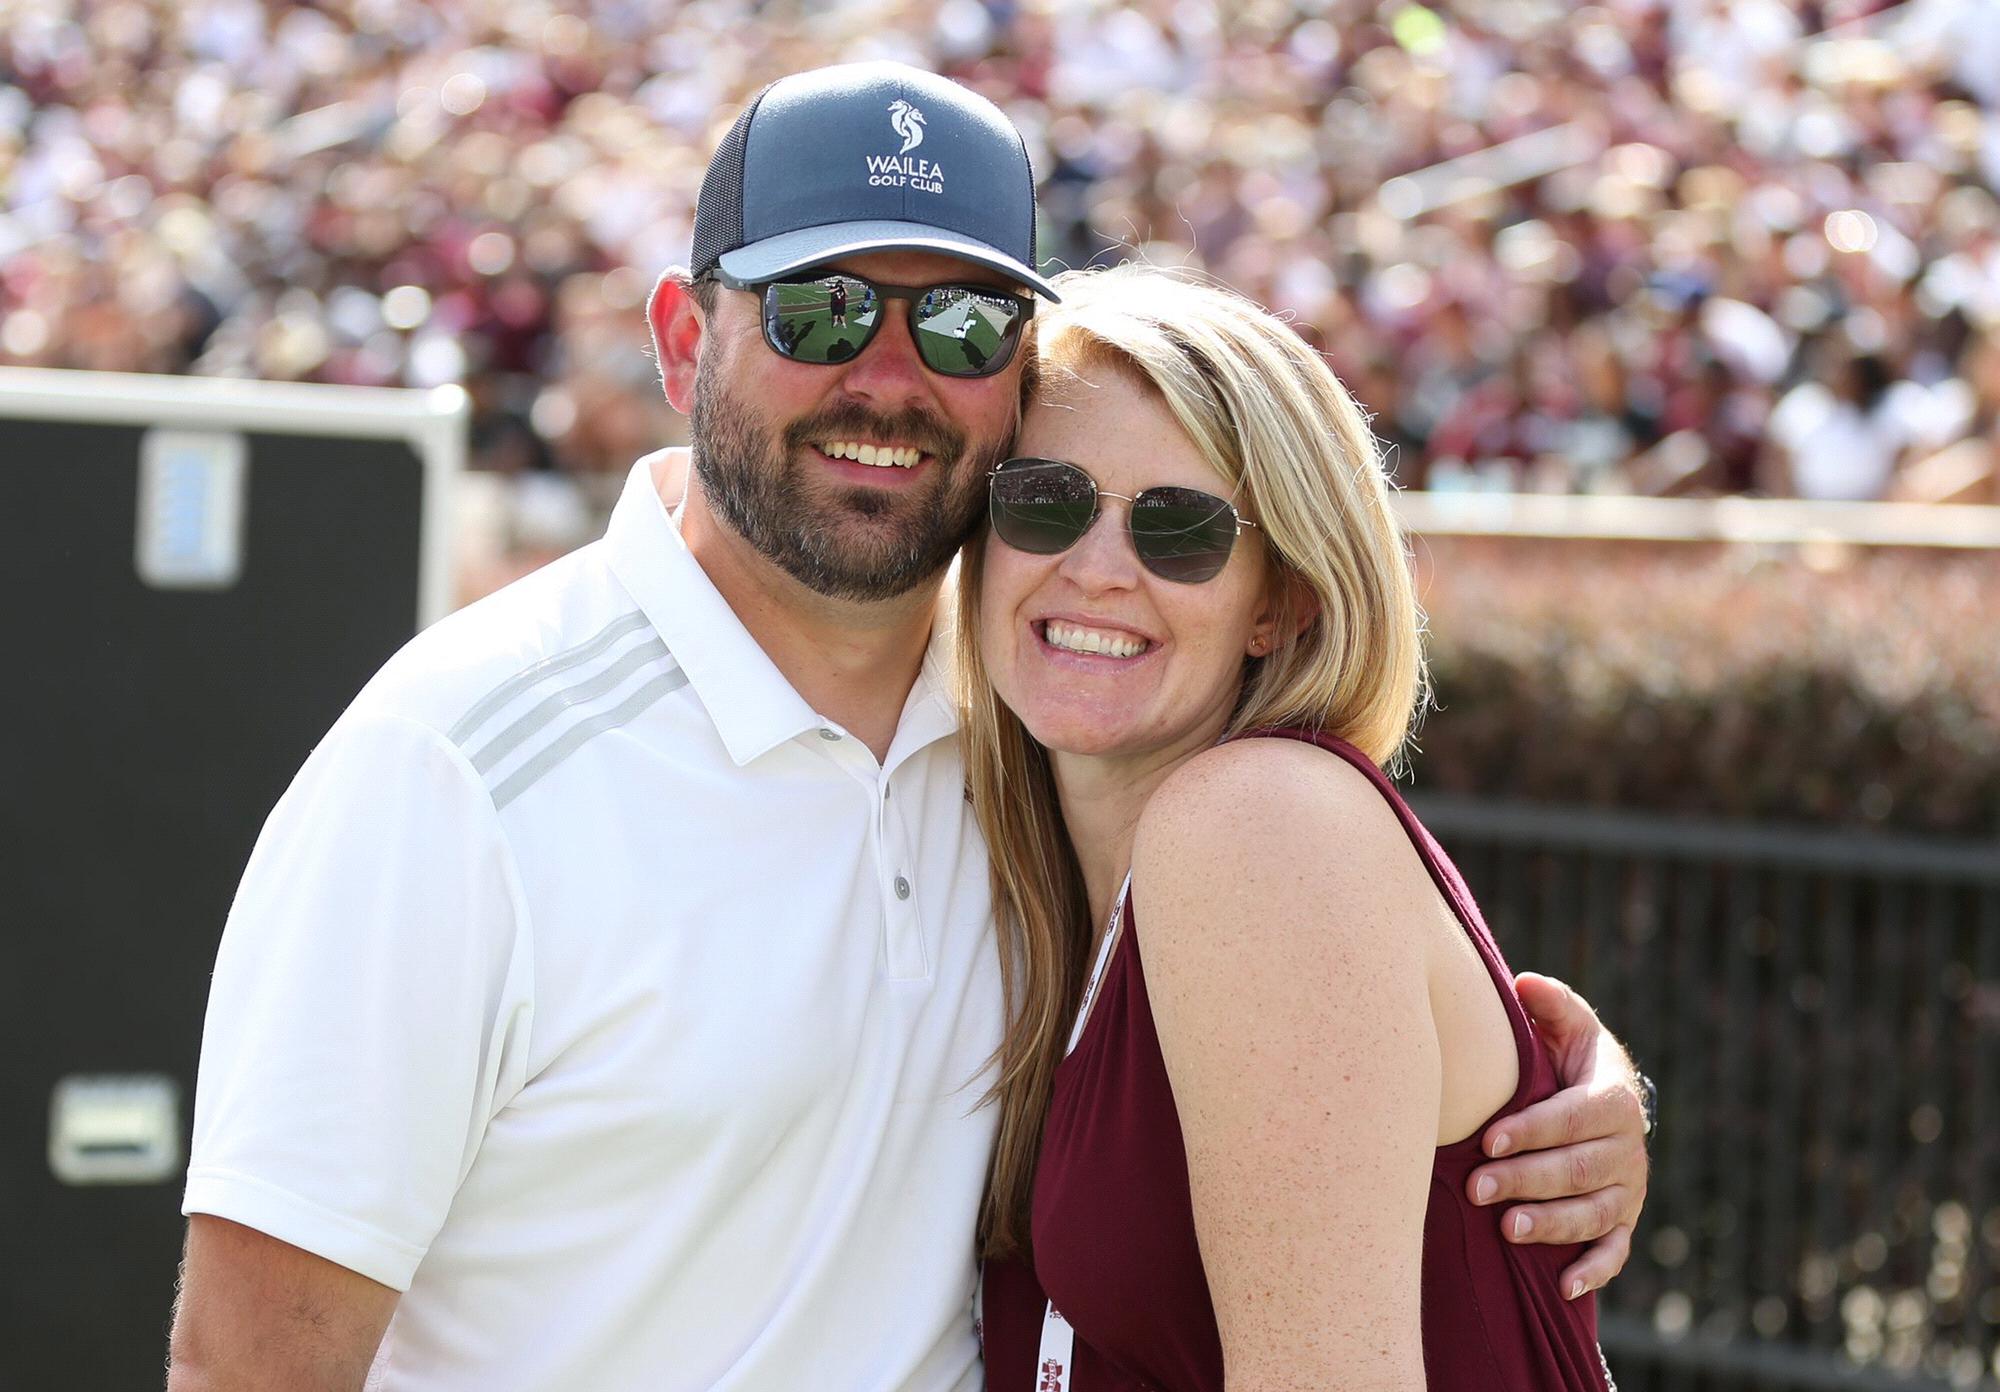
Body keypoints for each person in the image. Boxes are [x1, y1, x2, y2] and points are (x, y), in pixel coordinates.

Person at [166, 62, 1648, 1392]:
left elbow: (1323, 1042)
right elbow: (246, 1367)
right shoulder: (454, 769)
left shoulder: (1031, 736)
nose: (888, 378)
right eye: (817, 309)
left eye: (960, 322)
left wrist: (1544, 1100)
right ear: (682, 343)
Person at [965, 266, 1628, 1389]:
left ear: (1279, 604)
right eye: (1043, 500)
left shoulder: (1257, 828)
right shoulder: (997, 853)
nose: (1095, 569)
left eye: (1179, 530)